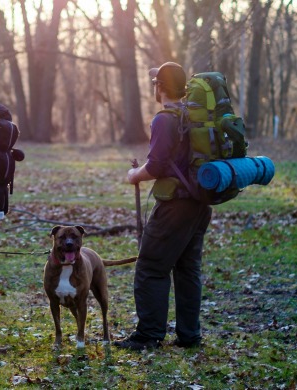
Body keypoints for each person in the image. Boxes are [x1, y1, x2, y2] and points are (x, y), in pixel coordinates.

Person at [114, 62, 212, 350]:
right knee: (187, 270)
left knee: (151, 266)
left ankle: (148, 335)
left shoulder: (164, 119)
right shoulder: (192, 115)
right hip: (200, 203)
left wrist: (134, 175)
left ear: (159, 86)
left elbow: (156, 166)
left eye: (155, 83)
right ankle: (189, 336)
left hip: (175, 206)